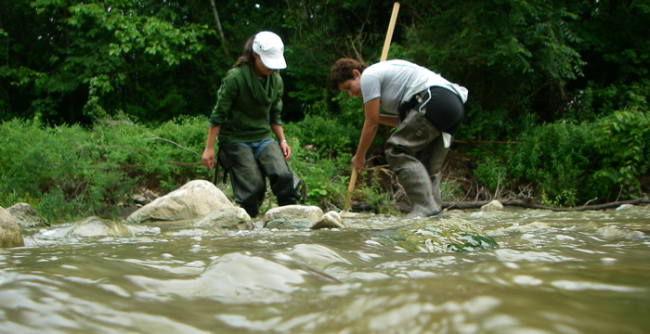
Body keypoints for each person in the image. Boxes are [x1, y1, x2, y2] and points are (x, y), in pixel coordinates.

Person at [330, 58, 468, 217]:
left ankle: (425, 209)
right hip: (452, 105)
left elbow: (371, 124)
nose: (351, 93)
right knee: (428, 165)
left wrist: (360, 156)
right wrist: (376, 116)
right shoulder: (392, 80)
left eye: (348, 87)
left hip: (434, 99)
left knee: (395, 148)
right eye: (346, 92)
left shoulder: (368, 75)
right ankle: (434, 214)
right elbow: (406, 122)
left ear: (356, 74)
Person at [202, 31, 300, 218]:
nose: (271, 68)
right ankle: (248, 228)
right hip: (235, 139)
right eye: (267, 62)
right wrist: (209, 148)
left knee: (284, 176)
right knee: (254, 186)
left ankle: (289, 223)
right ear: (255, 55)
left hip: (262, 137)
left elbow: (274, 115)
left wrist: (282, 140)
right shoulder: (235, 78)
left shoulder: (276, 81)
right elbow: (218, 114)